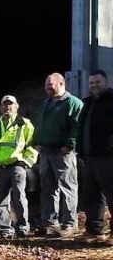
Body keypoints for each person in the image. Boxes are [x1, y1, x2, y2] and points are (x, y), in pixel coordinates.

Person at [33, 72, 84, 237]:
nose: (47, 87)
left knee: (67, 188)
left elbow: (78, 126)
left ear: (62, 84)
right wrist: (37, 143)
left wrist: (70, 145)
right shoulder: (45, 103)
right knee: (48, 190)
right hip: (46, 153)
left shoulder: (73, 103)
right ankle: (50, 223)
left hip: (62, 153)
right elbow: (39, 124)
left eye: (51, 84)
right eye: (46, 84)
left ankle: (69, 223)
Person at [0, 95, 38, 239]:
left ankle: (23, 226)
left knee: (19, 197)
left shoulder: (24, 123)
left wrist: (26, 162)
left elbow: (33, 145)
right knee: (2, 200)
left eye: (10, 104)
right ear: (1, 107)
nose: (7, 107)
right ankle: (5, 229)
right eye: (5, 104)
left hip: (17, 166)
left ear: (17, 106)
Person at [78, 70, 113, 239]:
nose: (94, 86)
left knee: (111, 195)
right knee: (91, 196)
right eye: (91, 83)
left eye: (97, 82)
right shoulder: (88, 102)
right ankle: (94, 230)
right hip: (89, 158)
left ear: (106, 82)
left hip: (107, 157)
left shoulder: (111, 100)